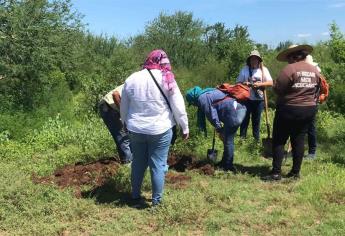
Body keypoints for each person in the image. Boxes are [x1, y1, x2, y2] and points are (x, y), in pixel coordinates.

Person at [120, 49, 189, 207]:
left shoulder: (132, 78)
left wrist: (124, 122)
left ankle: (135, 197)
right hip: (160, 129)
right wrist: (184, 127)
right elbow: (178, 106)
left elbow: (124, 106)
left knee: (138, 163)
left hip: (136, 129)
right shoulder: (167, 79)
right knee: (157, 165)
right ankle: (156, 203)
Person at [264, 45, 321, 181]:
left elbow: (278, 88)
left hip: (289, 108)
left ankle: (276, 173)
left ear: (293, 56)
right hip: (308, 109)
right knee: (299, 139)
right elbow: (318, 88)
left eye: (288, 58)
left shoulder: (290, 69)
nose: (287, 61)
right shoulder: (314, 70)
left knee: (279, 140)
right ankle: (295, 172)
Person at [186, 86, 247, 173]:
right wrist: (220, 128)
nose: (194, 105)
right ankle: (224, 162)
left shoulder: (202, 98)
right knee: (228, 139)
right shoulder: (209, 93)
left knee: (228, 140)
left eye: (192, 103)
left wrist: (218, 128)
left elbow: (211, 114)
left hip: (234, 112)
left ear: (193, 98)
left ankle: (228, 166)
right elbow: (216, 107)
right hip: (239, 109)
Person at [236, 50, 273, 141]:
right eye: (252, 59)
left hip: (259, 99)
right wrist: (245, 84)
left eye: (255, 59)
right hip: (246, 99)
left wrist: (259, 85)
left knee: (256, 121)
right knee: (244, 120)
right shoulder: (244, 70)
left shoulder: (263, 70)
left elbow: (271, 82)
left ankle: (256, 141)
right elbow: (238, 83)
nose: (253, 61)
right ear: (249, 60)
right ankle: (242, 140)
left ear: (258, 60)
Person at [99, 84, 132, 164]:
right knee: (123, 136)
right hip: (108, 107)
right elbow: (115, 94)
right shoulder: (134, 84)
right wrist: (124, 116)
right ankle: (127, 165)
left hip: (114, 107)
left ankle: (132, 162)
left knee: (130, 136)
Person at [305, 55, 321, 160]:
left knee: (310, 128)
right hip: (302, 103)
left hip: (311, 103)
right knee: (297, 128)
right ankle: (296, 150)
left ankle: (312, 152)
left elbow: (318, 89)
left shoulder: (317, 73)